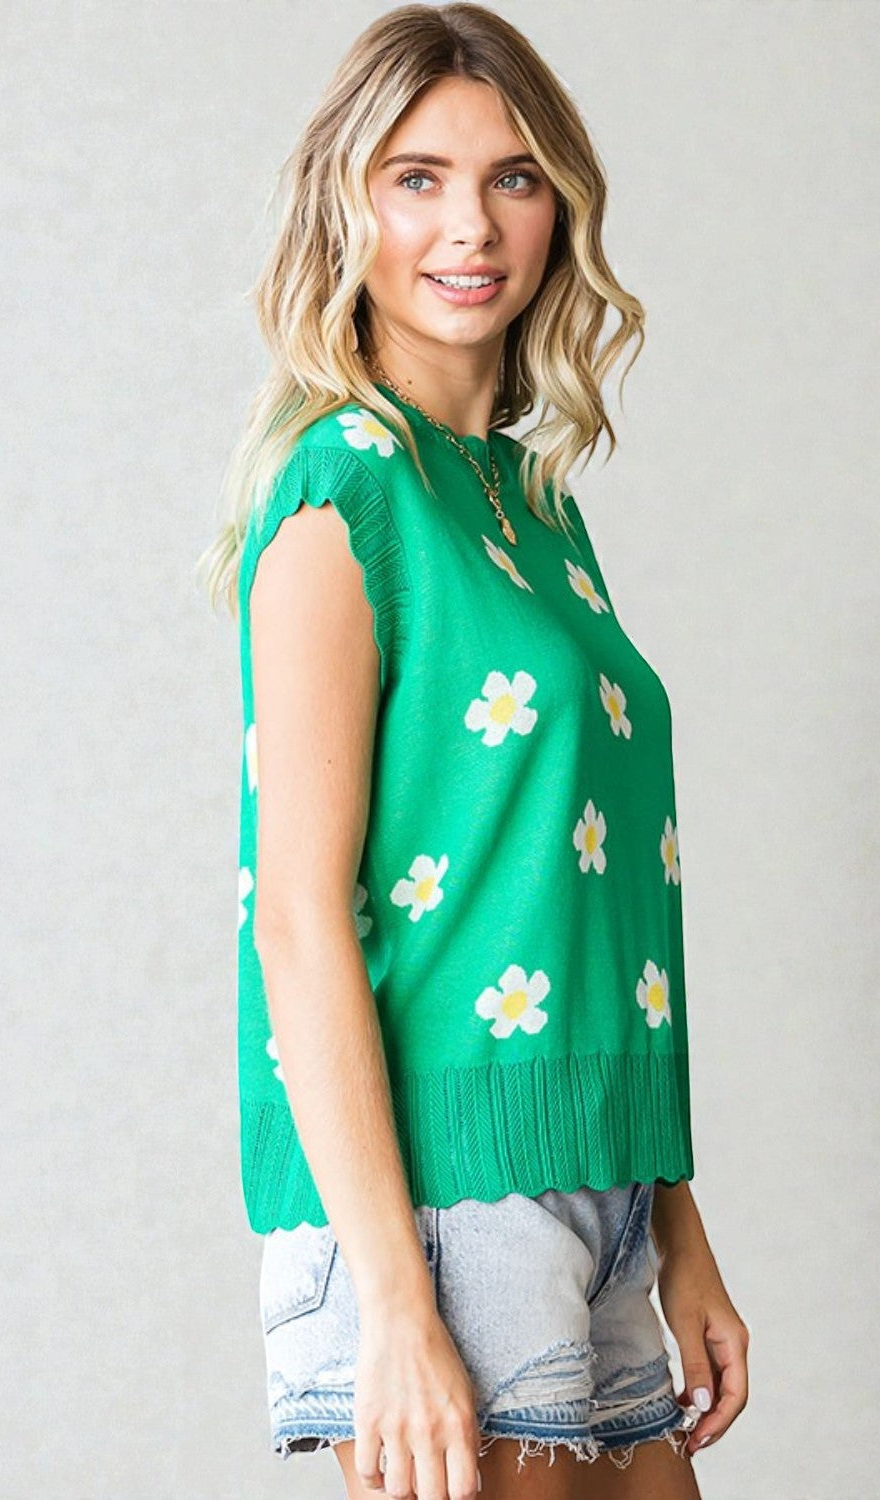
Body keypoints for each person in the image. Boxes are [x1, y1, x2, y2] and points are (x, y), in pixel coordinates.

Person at [197, 5, 749, 1497]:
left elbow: (576, 899)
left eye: (512, 177)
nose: (472, 225)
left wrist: (673, 1223)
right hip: (442, 1198)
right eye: (418, 176)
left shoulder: (530, 507)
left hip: (593, 1177)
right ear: (348, 204)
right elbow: (300, 922)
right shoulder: (342, 492)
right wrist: (392, 1303)